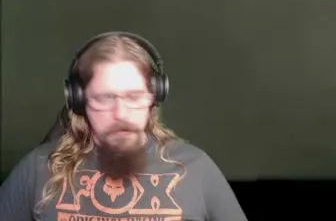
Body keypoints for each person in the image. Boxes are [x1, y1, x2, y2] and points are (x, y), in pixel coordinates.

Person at [0, 32, 247, 220]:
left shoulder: (197, 169)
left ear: (153, 98)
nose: (120, 114)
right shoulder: (37, 169)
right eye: (104, 98)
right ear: (79, 100)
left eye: (133, 96)